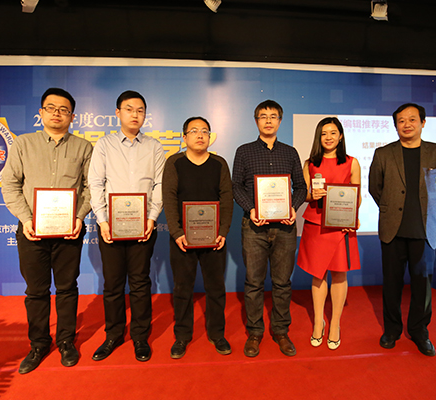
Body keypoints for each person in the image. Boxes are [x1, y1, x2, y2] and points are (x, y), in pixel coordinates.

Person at [2, 88, 93, 374]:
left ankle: (66, 341)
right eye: (51, 108)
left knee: (67, 288)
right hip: (32, 231)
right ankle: (39, 344)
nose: (57, 113)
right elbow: (10, 185)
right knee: (36, 291)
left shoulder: (84, 147)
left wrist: (79, 216)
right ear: (40, 112)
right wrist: (26, 219)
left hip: (69, 231)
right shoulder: (23, 144)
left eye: (64, 109)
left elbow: (91, 187)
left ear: (72, 117)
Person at [368, 103, 436, 357]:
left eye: (412, 119)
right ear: (396, 125)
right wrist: (391, 208)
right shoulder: (383, 153)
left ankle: (419, 331)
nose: (406, 124)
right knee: (391, 284)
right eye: (401, 120)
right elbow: (375, 187)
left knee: (422, 286)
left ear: (423, 123)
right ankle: (392, 330)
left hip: (424, 230)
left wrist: (431, 210)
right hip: (392, 229)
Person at [88, 90, 165, 362]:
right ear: (118, 113)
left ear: (145, 115)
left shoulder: (154, 147)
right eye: (129, 109)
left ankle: (140, 336)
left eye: (140, 110)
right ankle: (113, 335)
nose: (135, 114)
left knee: (141, 282)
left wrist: (152, 217)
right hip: (111, 226)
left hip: (143, 226)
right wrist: (102, 220)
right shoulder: (104, 145)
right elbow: (95, 183)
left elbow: (159, 185)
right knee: (113, 284)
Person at [232, 100, 307, 357]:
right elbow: (236, 186)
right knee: (254, 282)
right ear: (256, 121)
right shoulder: (244, 151)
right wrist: (251, 209)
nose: (268, 120)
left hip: (284, 228)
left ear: (280, 121)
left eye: (273, 116)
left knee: (282, 282)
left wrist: (293, 207)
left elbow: (301, 186)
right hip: (254, 226)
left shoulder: (290, 152)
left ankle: (281, 330)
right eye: (263, 116)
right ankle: (255, 332)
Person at [162, 116, 234, 359]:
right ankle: (182, 335)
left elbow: (227, 198)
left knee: (216, 288)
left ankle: (217, 333)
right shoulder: (174, 162)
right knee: (182, 289)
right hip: (182, 239)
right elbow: (169, 198)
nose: (200, 135)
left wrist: (223, 231)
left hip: (214, 239)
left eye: (204, 131)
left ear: (210, 137)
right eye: (194, 131)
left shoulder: (219, 164)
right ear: (185, 137)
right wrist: (176, 232)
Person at [297, 117, 361, 350]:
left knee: (340, 274)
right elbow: (302, 194)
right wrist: (312, 195)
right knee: (318, 274)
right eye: (324, 133)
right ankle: (318, 322)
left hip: (341, 226)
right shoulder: (310, 163)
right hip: (316, 224)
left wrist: (352, 217)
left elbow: (357, 196)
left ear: (341, 136)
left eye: (333, 133)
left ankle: (335, 324)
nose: (329, 137)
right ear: (318, 136)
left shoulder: (352, 162)